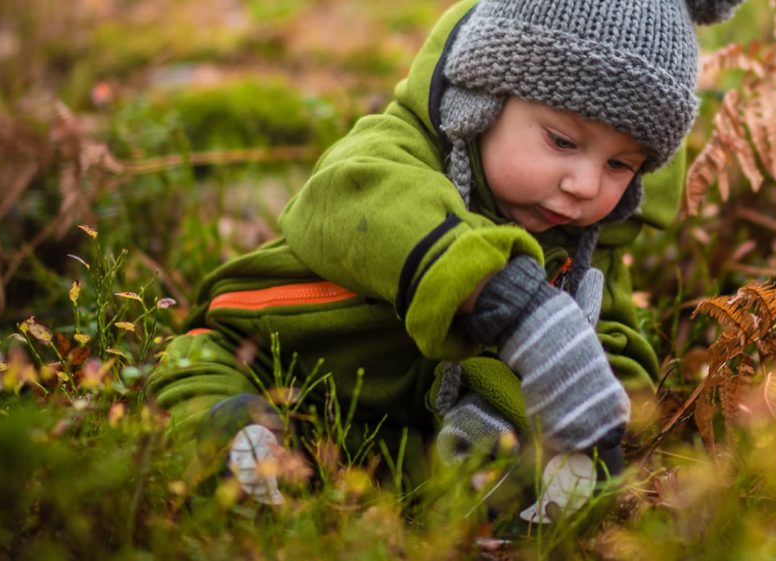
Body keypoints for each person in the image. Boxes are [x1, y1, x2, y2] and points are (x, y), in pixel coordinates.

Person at [148, 0, 743, 507]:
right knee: (203, 378)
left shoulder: (583, 237)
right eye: (562, 141)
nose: (585, 185)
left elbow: (607, 329)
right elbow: (358, 200)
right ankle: (233, 441)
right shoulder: (397, 152)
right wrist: (507, 299)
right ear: (479, 100)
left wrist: (601, 412)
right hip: (275, 354)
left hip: (400, 427)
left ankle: (468, 493)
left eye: (620, 165)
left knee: (493, 471)